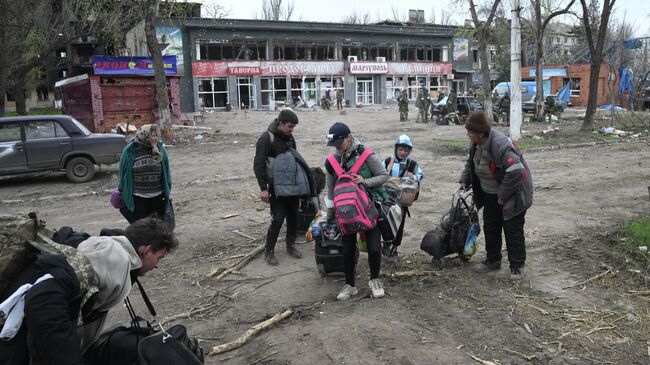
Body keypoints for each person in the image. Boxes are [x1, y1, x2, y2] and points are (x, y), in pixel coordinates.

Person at [0, 217, 178, 365]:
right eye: (159, 258)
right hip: (13, 339)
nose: (157, 265)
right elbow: (43, 299)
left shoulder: (107, 249)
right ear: (146, 251)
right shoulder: (111, 259)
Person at [458, 112, 533, 280]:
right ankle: (493, 260)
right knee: (491, 227)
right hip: (490, 195)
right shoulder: (476, 144)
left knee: (512, 230)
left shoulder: (499, 145)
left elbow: (517, 170)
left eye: (470, 132)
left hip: (513, 196)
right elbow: (471, 163)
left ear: (480, 132)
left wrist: (503, 194)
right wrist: (465, 178)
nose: (468, 135)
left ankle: (517, 265)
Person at [324, 122, 389, 300]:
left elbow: (384, 176)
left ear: (349, 137)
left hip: (368, 209)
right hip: (345, 212)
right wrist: (330, 216)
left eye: (340, 143)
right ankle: (350, 285)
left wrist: (365, 181)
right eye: (334, 145)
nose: (337, 148)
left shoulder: (365, 155)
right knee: (347, 250)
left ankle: (374, 280)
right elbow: (330, 189)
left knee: (374, 249)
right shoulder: (332, 162)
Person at [254, 109, 311, 266]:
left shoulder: (289, 137)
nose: (292, 130)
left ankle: (290, 246)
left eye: (293, 127)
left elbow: (295, 159)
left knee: (294, 217)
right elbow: (258, 164)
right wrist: (263, 188)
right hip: (276, 187)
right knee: (278, 219)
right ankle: (269, 251)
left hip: (292, 186)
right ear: (280, 123)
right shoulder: (267, 138)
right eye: (290, 126)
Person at [118, 124, 172, 224]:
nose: (155, 138)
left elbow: (166, 170)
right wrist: (121, 189)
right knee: (142, 225)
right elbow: (123, 172)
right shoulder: (130, 150)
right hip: (138, 197)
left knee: (157, 225)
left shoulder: (159, 149)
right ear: (145, 135)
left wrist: (168, 188)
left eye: (156, 135)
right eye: (153, 135)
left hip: (158, 196)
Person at [382, 134, 424, 262]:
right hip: (388, 199)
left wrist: (414, 177)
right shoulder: (388, 162)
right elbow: (379, 173)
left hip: (403, 201)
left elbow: (421, 174)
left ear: (409, 151)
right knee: (386, 222)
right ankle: (387, 243)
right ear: (396, 149)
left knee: (399, 225)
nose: (403, 152)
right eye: (400, 149)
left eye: (406, 150)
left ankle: (395, 248)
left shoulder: (412, 164)